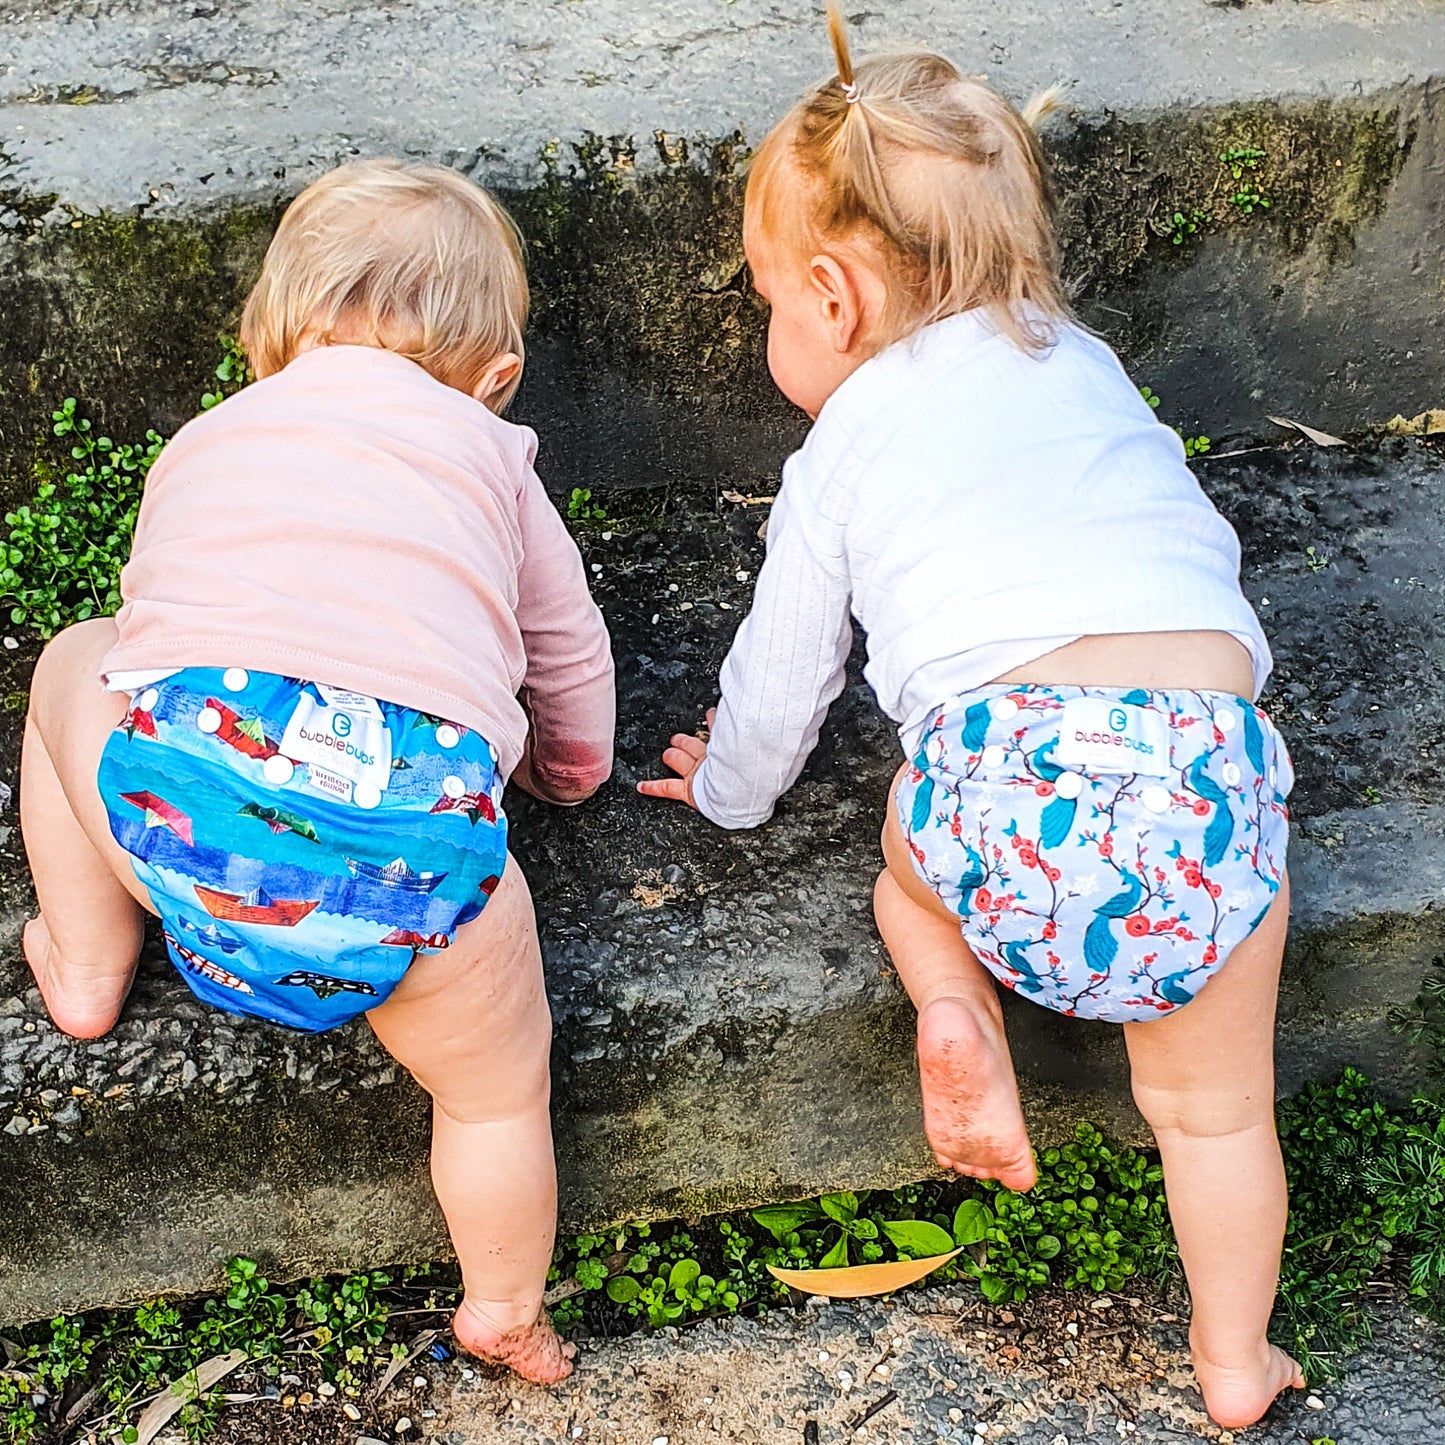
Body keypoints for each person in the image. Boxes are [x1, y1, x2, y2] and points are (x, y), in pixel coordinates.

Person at [641, 9, 1301, 1428]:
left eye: (766, 299)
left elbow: (782, 669)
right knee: (1216, 1112)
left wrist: (729, 795)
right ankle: (1236, 1359)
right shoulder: (1087, 366)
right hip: (1201, 775)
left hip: (1005, 786)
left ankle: (957, 1002)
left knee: (905, 852)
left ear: (832, 297)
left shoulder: (844, 447)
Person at [20, 159, 613, 1385]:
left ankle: (87, 955)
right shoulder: (495, 457)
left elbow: (156, 637)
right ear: (493, 380)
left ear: (267, 345)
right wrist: (567, 773)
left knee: (76, 661)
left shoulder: (207, 438)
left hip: (183, 813)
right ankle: (503, 1301)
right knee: (498, 1094)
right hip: (416, 859)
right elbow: (567, 652)